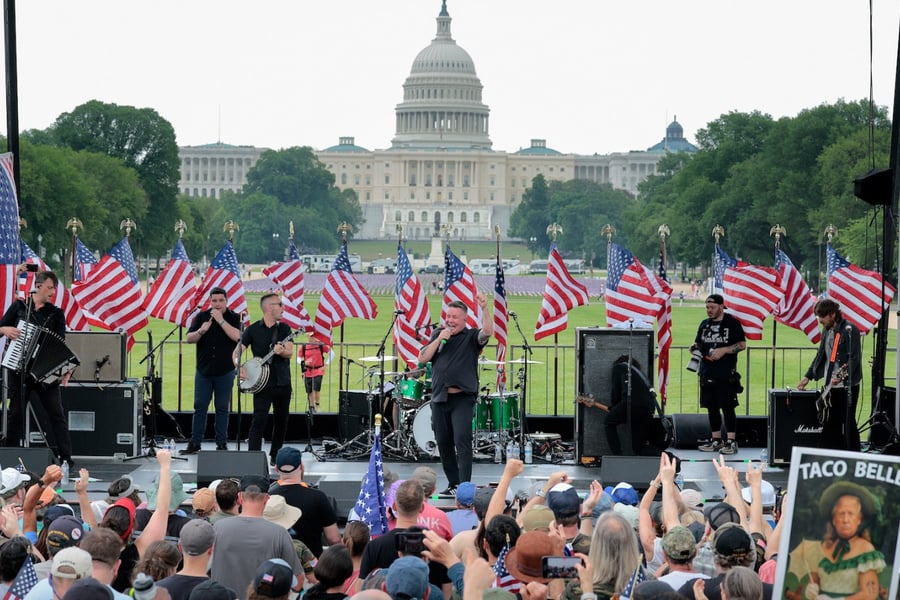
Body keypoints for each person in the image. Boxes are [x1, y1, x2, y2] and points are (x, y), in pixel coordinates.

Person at [418, 295, 493, 495]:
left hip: (462, 399)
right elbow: (423, 358)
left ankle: (464, 487)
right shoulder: (438, 335)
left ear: (464, 320)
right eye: (448, 316)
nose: (450, 320)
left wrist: (484, 308)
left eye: (455, 317)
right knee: (443, 443)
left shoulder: (471, 337)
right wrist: (439, 339)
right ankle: (453, 483)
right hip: (439, 398)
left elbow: (487, 332)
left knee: (462, 441)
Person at [0, 270, 74, 464]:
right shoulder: (19, 307)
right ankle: (9, 456)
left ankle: (66, 457)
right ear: (38, 286)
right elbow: (0, 328)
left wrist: (66, 367)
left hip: (44, 373)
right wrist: (4, 329)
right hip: (19, 370)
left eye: (54, 289)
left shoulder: (56, 313)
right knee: (15, 413)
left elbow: (60, 344)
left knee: (56, 413)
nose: (52, 292)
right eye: (49, 288)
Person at [787, 481, 885, 600]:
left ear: (859, 519)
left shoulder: (865, 549)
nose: (845, 520)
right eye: (841, 513)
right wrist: (811, 589)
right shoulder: (824, 547)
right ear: (834, 519)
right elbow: (814, 580)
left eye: (851, 514)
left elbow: (869, 594)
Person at [796, 298, 862, 451]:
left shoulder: (849, 330)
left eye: (822, 316)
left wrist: (842, 376)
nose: (820, 320)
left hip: (847, 385)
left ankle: (854, 454)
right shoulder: (826, 330)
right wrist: (808, 376)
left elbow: (854, 358)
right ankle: (831, 454)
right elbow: (821, 355)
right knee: (831, 421)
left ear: (832, 314)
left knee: (848, 421)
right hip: (830, 385)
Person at [182, 287, 242, 454]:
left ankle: (221, 443)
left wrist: (221, 321)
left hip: (226, 370)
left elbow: (238, 336)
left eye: (221, 300)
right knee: (200, 407)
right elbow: (189, 338)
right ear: (210, 302)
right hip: (204, 371)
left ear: (226, 301)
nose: (217, 304)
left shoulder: (234, 317)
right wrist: (201, 331)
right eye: (214, 301)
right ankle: (195, 442)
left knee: (222, 408)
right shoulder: (201, 317)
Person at [236, 293, 294, 465]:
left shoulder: (284, 329)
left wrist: (282, 351)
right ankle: (253, 458)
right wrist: (239, 367)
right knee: (258, 421)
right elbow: (237, 352)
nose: (283, 308)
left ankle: (276, 456)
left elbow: (289, 352)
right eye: (280, 304)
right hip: (262, 384)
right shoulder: (252, 330)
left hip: (282, 382)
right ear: (269, 307)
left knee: (281, 421)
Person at [690, 294, 746, 455]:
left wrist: (724, 350)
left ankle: (731, 441)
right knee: (711, 407)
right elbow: (698, 342)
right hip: (706, 372)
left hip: (725, 373)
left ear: (721, 306)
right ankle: (716, 440)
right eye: (707, 307)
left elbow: (742, 345)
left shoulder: (732, 323)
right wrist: (694, 348)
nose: (709, 310)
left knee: (728, 407)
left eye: (712, 307)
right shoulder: (704, 324)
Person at [605, 355, 660, 455]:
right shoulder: (640, 373)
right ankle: (670, 458)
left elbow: (615, 392)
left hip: (631, 404)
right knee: (639, 447)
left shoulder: (619, 367)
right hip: (648, 408)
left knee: (609, 422)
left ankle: (617, 455)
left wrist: (614, 408)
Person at [299, 334, 330, 411]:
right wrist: (304, 362)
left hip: (318, 370)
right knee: (309, 390)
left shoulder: (320, 345)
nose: (313, 338)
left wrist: (326, 364)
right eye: (311, 336)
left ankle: (317, 404)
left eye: (314, 336)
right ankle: (311, 406)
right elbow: (298, 358)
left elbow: (331, 353)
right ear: (308, 337)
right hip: (307, 371)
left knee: (316, 388)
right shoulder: (304, 346)